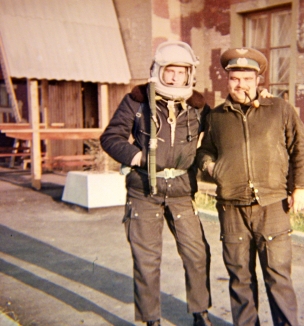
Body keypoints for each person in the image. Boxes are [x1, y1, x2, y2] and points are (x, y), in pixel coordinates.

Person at [196, 47, 304, 326]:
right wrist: (215, 170)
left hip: (272, 206)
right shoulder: (217, 116)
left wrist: (302, 187)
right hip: (232, 208)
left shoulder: (280, 109)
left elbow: (301, 149)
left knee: (278, 277)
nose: (241, 84)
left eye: (248, 78)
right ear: (227, 80)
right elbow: (204, 153)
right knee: (240, 278)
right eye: (235, 78)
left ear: (258, 80)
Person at [100, 41, 212, 326]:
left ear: (190, 74)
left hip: (182, 191)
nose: (175, 78)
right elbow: (111, 137)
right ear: (158, 71)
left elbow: (212, 142)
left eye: (181, 72)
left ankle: (201, 313)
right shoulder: (137, 101)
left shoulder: (200, 107)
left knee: (197, 253)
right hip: (143, 190)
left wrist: (204, 162)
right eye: (169, 71)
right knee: (147, 260)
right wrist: (136, 156)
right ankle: (151, 320)